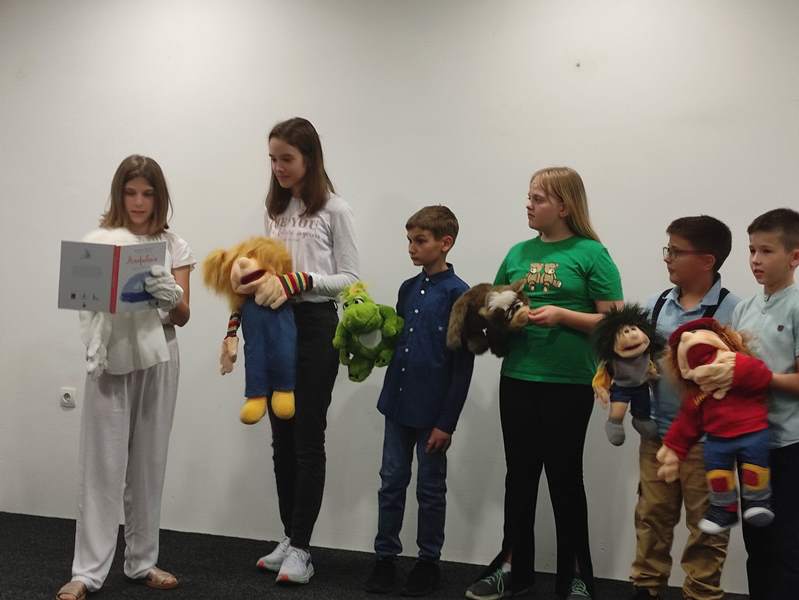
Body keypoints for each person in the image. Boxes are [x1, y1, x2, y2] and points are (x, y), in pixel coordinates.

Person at [466, 167, 622, 600]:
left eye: (538, 198)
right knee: (519, 477)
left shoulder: (592, 253)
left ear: (564, 206)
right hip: (518, 378)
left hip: (568, 383)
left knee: (565, 479)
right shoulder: (518, 252)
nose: (529, 204)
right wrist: (501, 317)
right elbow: (495, 308)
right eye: (529, 197)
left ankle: (576, 577)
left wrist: (562, 315)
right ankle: (512, 568)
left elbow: (616, 322)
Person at [56, 155, 194, 600]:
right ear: (119, 194)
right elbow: (81, 298)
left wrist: (170, 295)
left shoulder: (174, 244)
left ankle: (142, 561)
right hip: (111, 355)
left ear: (159, 197)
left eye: (147, 193)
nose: (138, 202)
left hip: (161, 353)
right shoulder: (100, 241)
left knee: (149, 463)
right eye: (131, 192)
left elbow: (183, 316)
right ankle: (86, 571)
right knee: (101, 464)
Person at [251, 117, 359, 584]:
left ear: (309, 159)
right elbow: (268, 267)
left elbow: (350, 278)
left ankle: (302, 548)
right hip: (277, 325)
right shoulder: (275, 209)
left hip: (316, 327)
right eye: (273, 159)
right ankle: (289, 535)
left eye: (287, 159)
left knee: (307, 439)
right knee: (281, 439)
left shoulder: (335, 209)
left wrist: (303, 280)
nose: (278, 168)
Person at [364, 206, 474, 596]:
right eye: (409, 240)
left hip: (433, 414)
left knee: (430, 489)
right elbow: (397, 342)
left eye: (420, 240)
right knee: (391, 482)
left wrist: (447, 422)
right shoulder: (407, 289)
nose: (411, 247)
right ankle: (385, 558)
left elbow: (462, 366)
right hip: (397, 405)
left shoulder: (460, 295)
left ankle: (428, 562)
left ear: (445, 243)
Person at [629, 216, 739, 600]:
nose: (667, 258)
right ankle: (646, 587)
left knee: (707, 527)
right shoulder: (655, 305)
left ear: (707, 260)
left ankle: (701, 593)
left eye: (676, 251)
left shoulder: (735, 311)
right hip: (658, 438)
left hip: (710, 444)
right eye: (668, 249)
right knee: (651, 518)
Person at [719, 208, 799, 600]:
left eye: (766, 251)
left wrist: (757, 378)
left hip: (789, 445)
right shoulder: (743, 309)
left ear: (794, 257)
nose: (755, 260)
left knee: (787, 546)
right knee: (758, 544)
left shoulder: (797, 306)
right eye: (752, 250)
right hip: (752, 443)